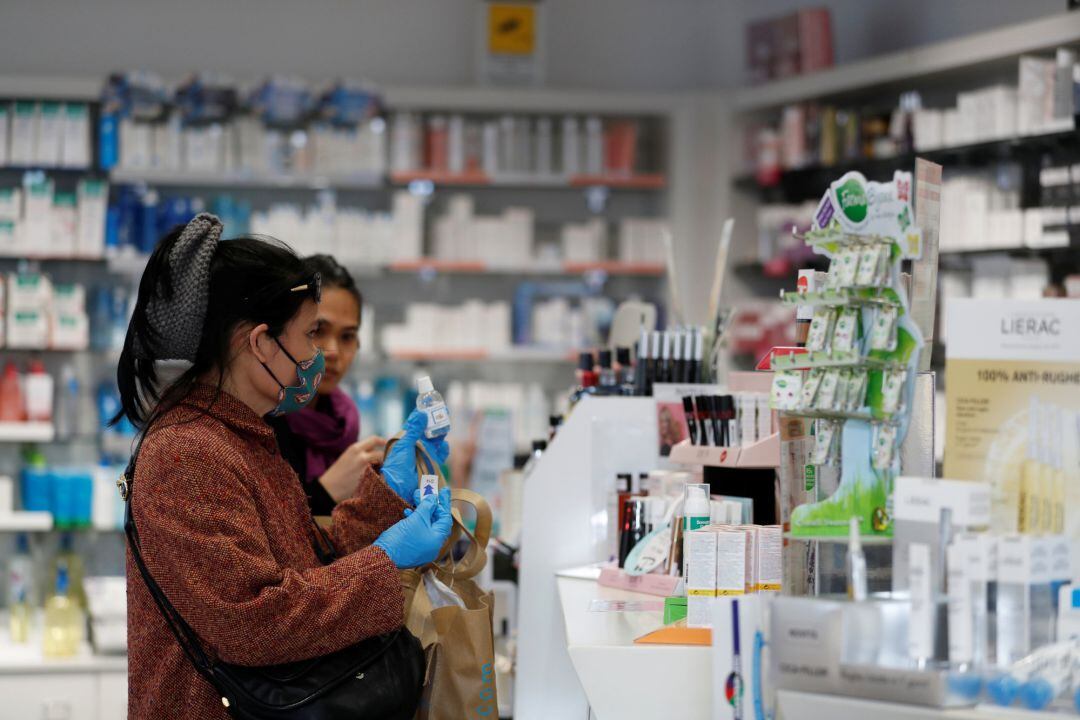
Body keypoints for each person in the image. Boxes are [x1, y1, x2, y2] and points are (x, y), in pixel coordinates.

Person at [114, 213, 451, 718]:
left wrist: (389, 493)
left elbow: (308, 567)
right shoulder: (187, 455)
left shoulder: (241, 437)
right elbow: (257, 622)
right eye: (310, 333)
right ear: (261, 342)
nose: (320, 355)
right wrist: (386, 560)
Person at [269, 254, 385, 514]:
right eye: (317, 331)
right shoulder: (263, 421)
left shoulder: (344, 422)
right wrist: (327, 491)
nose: (332, 351)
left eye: (347, 337)